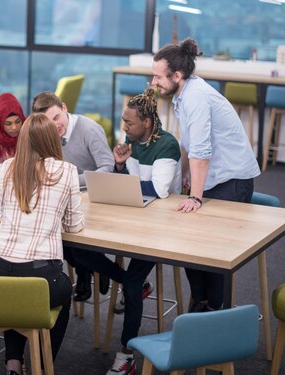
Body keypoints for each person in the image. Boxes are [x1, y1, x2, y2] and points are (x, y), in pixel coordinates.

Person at [71, 88, 181, 375]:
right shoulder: (129, 141)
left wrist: (123, 178)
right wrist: (119, 165)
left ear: (146, 122)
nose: (123, 127)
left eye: (129, 123)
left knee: (131, 283)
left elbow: (158, 190)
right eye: (123, 121)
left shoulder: (167, 145)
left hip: (161, 225)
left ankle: (126, 353)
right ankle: (127, 281)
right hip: (131, 216)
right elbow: (128, 183)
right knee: (75, 247)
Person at [152, 38, 260, 312]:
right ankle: (200, 304)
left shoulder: (196, 96)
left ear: (177, 75)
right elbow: (188, 145)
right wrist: (184, 178)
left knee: (212, 252)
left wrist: (196, 198)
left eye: (157, 76)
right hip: (214, 177)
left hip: (232, 180)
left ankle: (214, 309)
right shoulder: (183, 95)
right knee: (189, 242)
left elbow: (201, 150)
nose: (153, 82)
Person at [0, 113, 84, 375]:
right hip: (40, 278)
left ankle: (13, 362)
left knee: (14, 297)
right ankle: (42, 363)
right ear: (53, 140)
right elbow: (73, 224)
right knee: (61, 292)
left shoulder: (7, 167)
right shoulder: (67, 171)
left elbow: (5, 211)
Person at [31, 91, 113, 302]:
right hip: (62, 198)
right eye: (48, 122)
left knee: (72, 243)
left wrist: (72, 180)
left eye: (56, 117)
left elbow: (108, 167)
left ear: (65, 108)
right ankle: (90, 270)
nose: (55, 126)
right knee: (51, 237)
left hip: (92, 198)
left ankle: (99, 269)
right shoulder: (46, 132)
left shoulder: (89, 129)